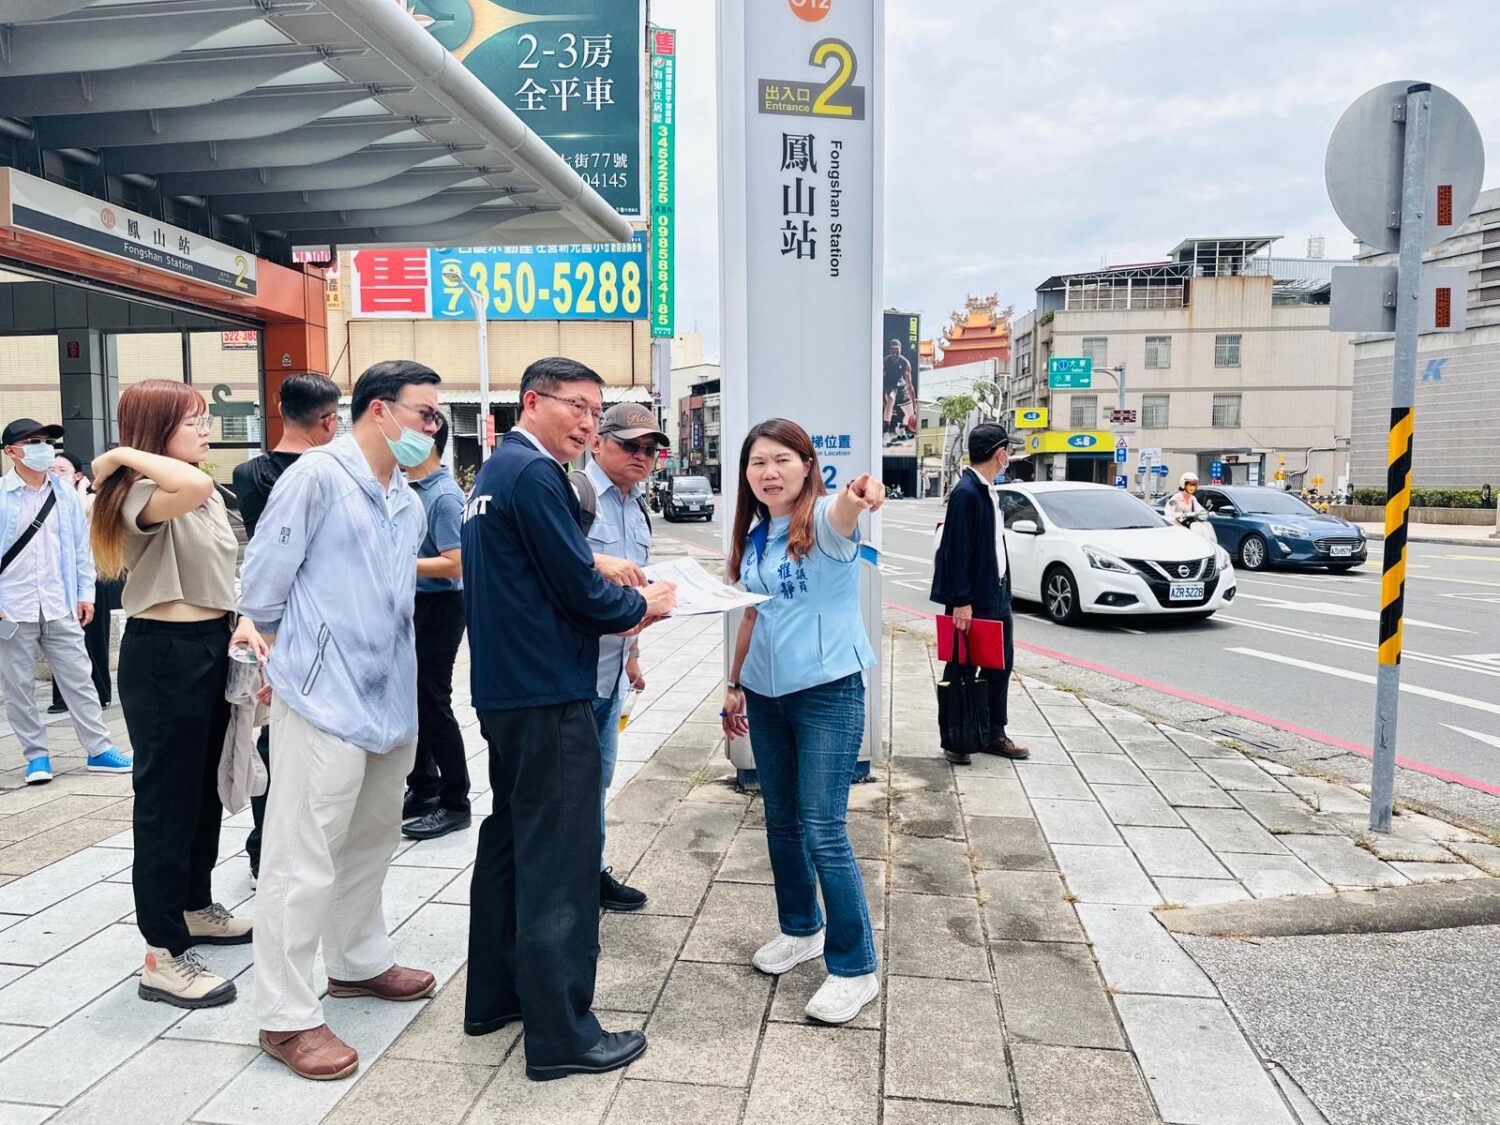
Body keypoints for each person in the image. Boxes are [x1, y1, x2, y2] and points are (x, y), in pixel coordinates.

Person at [462, 357, 675, 1082]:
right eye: (576, 406)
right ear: (533, 401)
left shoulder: (496, 474)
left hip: (506, 688)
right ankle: (563, 1033)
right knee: (561, 862)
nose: (588, 421)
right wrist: (647, 604)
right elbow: (579, 594)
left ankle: (495, 997)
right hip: (549, 690)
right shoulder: (537, 475)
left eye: (595, 409)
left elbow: (545, 571)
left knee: (513, 845)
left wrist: (601, 571)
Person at [238, 360, 445, 1081]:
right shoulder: (317, 478)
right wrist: (267, 658)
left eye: (435, 417)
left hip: (387, 694)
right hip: (320, 693)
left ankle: (357, 958)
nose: (432, 428)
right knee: (302, 855)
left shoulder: (407, 499)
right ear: (378, 410)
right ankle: (287, 1014)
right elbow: (264, 578)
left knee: (371, 836)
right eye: (423, 413)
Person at [90, 382, 255, 1009]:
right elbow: (191, 488)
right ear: (156, 430)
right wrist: (120, 458)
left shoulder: (199, 486)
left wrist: (239, 619)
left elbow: (224, 569)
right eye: (192, 420)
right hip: (164, 655)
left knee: (204, 789)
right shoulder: (142, 489)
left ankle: (192, 906)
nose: (205, 429)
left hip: (213, 645)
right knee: (165, 803)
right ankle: (161, 953)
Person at [720, 419, 884, 1025]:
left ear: (808, 465)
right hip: (765, 696)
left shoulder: (822, 523)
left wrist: (860, 493)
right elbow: (752, 618)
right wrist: (735, 685)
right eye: (757, 462)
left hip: (827, 693)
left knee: (824, 831)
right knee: (781, 823)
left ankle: (854, 968)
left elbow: (850, 507)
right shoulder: (757, 536)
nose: (769, 471)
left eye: (782, 459)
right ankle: (800, 929)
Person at [231, 373, 340, 886]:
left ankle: (264, 847)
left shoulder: (248, 472)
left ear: (278, 406)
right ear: (330, 419)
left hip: (270, 617)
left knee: (272, 733)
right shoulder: (336, 473)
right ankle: (306, 845)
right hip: (325, 616)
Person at [578, 402, 672, 911]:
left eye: (650, 449)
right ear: (597, 442)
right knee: (570, 782)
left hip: (612, 671)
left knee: (599, 779)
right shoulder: (575, 494)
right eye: (629, 445)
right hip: (572, 670)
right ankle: (568, 879)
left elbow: (636, 583)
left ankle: (587, 872)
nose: (642, 456)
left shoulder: (635, 505)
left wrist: (633, 654)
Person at [0, 419, 128, 784]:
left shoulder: (64, 494)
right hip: (13, 607)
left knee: (80, 677)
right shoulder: (2, 496)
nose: (44, 447)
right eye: (33, 441)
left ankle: (99, 748)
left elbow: (80, 548)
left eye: (47, 440)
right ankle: (36, 757)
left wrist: (85, 594)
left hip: (59, 603)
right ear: (11, 452)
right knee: (18, 685)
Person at [930, 422, 1030, 766]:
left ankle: (992, 733)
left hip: (996, 593)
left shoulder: (987, 490)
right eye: (1009, 451)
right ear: (1000, 453)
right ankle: (957, 738)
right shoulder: (966, 493)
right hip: (973, 598)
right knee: (962, 665)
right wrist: (960, 601)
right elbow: (956, 550)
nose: (1010, 457)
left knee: (998, 665)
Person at [400, 415, 472, 841]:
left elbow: (456, 562)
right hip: (418, 603)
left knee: (432, 700)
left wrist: (398, 564)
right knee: (416, 699)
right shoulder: (413, 489)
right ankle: (424, 787)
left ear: (428, 442)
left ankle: (455, 800)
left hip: (441, 605)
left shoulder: (444, 496)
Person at [45, 451, 115, 714]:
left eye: (61, 471)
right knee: (59, 640)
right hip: (57, 581)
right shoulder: (42, 501)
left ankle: (99, 693)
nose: (55, 475)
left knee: (92, 638)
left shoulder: (92, 501)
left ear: (77, 476)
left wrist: (78, 496)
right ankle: (63, 697)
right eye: (51, 470)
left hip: (91, 579)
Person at [881, 339, 914, 444]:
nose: (895, 354)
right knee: (891, 398)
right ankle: (885, 433)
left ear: (900, 350)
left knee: (910, 413)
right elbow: (879, 383)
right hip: (889, 386)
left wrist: (915, 404)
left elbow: (909, 385)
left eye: (897, 352)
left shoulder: (905, 363)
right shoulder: (884, 362)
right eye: (893, 351)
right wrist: (884, 402)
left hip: (901, 387)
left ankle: (901, 429)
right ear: (889, 351)